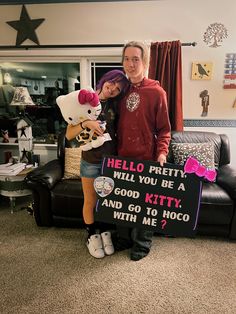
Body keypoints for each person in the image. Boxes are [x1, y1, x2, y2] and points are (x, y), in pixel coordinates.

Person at [115, 41, 171, 261]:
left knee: (144, 206)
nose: (130, 64)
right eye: (126, 59)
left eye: (135, 59)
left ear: (145, 61)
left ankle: (141, 245)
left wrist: (162, 153)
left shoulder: (157, 92)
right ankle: (124, 239)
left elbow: (165, 129)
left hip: (146, 158)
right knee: (121, 203)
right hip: (120, 158)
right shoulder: (120, 91)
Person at [66, 70, 129, 259]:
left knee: (108, 199)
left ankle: (106, 232)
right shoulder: (85, 102)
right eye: (112, 83)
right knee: (90, 200)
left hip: (112, 162)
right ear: (105, 80)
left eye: (118, 89)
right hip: (90, 161)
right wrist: (86, 124)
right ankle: (92, 234)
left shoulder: (117, 105)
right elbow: (69, 135)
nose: (113, 89)